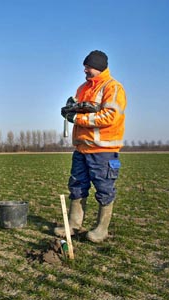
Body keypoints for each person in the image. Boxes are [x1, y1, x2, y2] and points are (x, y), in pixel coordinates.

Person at [55, 50, 127, 243]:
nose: (85, 70)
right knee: (77, 186)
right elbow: (81, 110)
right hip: (81, 148)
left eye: (89, 67)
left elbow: (109, 116)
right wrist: (70, 108)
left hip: (102, 150)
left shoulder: (113, 88)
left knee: (104, 188)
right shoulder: (82, 88)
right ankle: (73, 224)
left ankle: (101, 229)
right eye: (85, 66)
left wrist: (77, 117)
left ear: (100, 67)